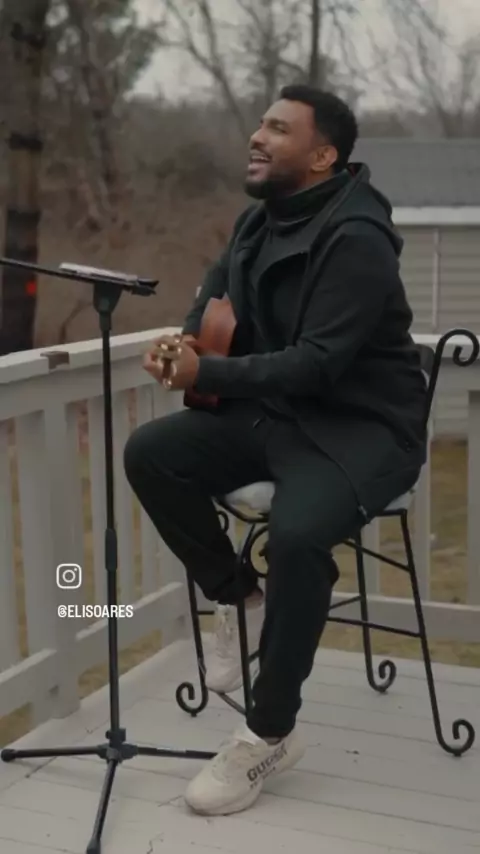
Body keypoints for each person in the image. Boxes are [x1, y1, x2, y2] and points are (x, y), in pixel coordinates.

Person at [123, 85, 428, 816]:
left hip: (362, 428)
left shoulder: (357, 239)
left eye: (278, 128)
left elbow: (317, 363)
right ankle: (240, 598)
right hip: (279, 416)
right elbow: (214, 305)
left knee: (296, 537)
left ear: (323, 156)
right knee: (151, 453)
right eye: (260, 124)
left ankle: (269, 732)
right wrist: (184, 346)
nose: (257, 136)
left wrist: (208, 375)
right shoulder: (258, 221)